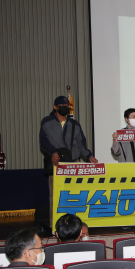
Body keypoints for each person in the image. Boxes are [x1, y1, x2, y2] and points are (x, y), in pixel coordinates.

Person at [40, 96, 98, 226]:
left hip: (73, 163)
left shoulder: (74, 124)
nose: (65, 108)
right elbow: (43, 142)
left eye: (67, 106)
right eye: (62, 106)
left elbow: (81, 145)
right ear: (55, 107)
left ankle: (76, 224)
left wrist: (89, 156)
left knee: (76, 194)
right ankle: (55, 226)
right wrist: (53, 152)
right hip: (56, 164)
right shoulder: (47, 122)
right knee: (56, 196)